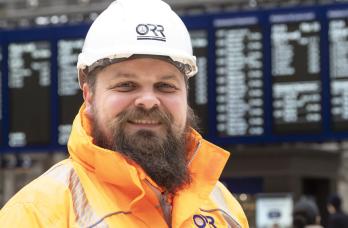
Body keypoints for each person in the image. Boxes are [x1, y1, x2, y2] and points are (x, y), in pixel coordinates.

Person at [0, 0, 249, 227]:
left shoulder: (223, 207)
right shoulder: (36, 213)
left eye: (165, 86)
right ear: (89, 96)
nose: (149, 101)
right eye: (126, 85)